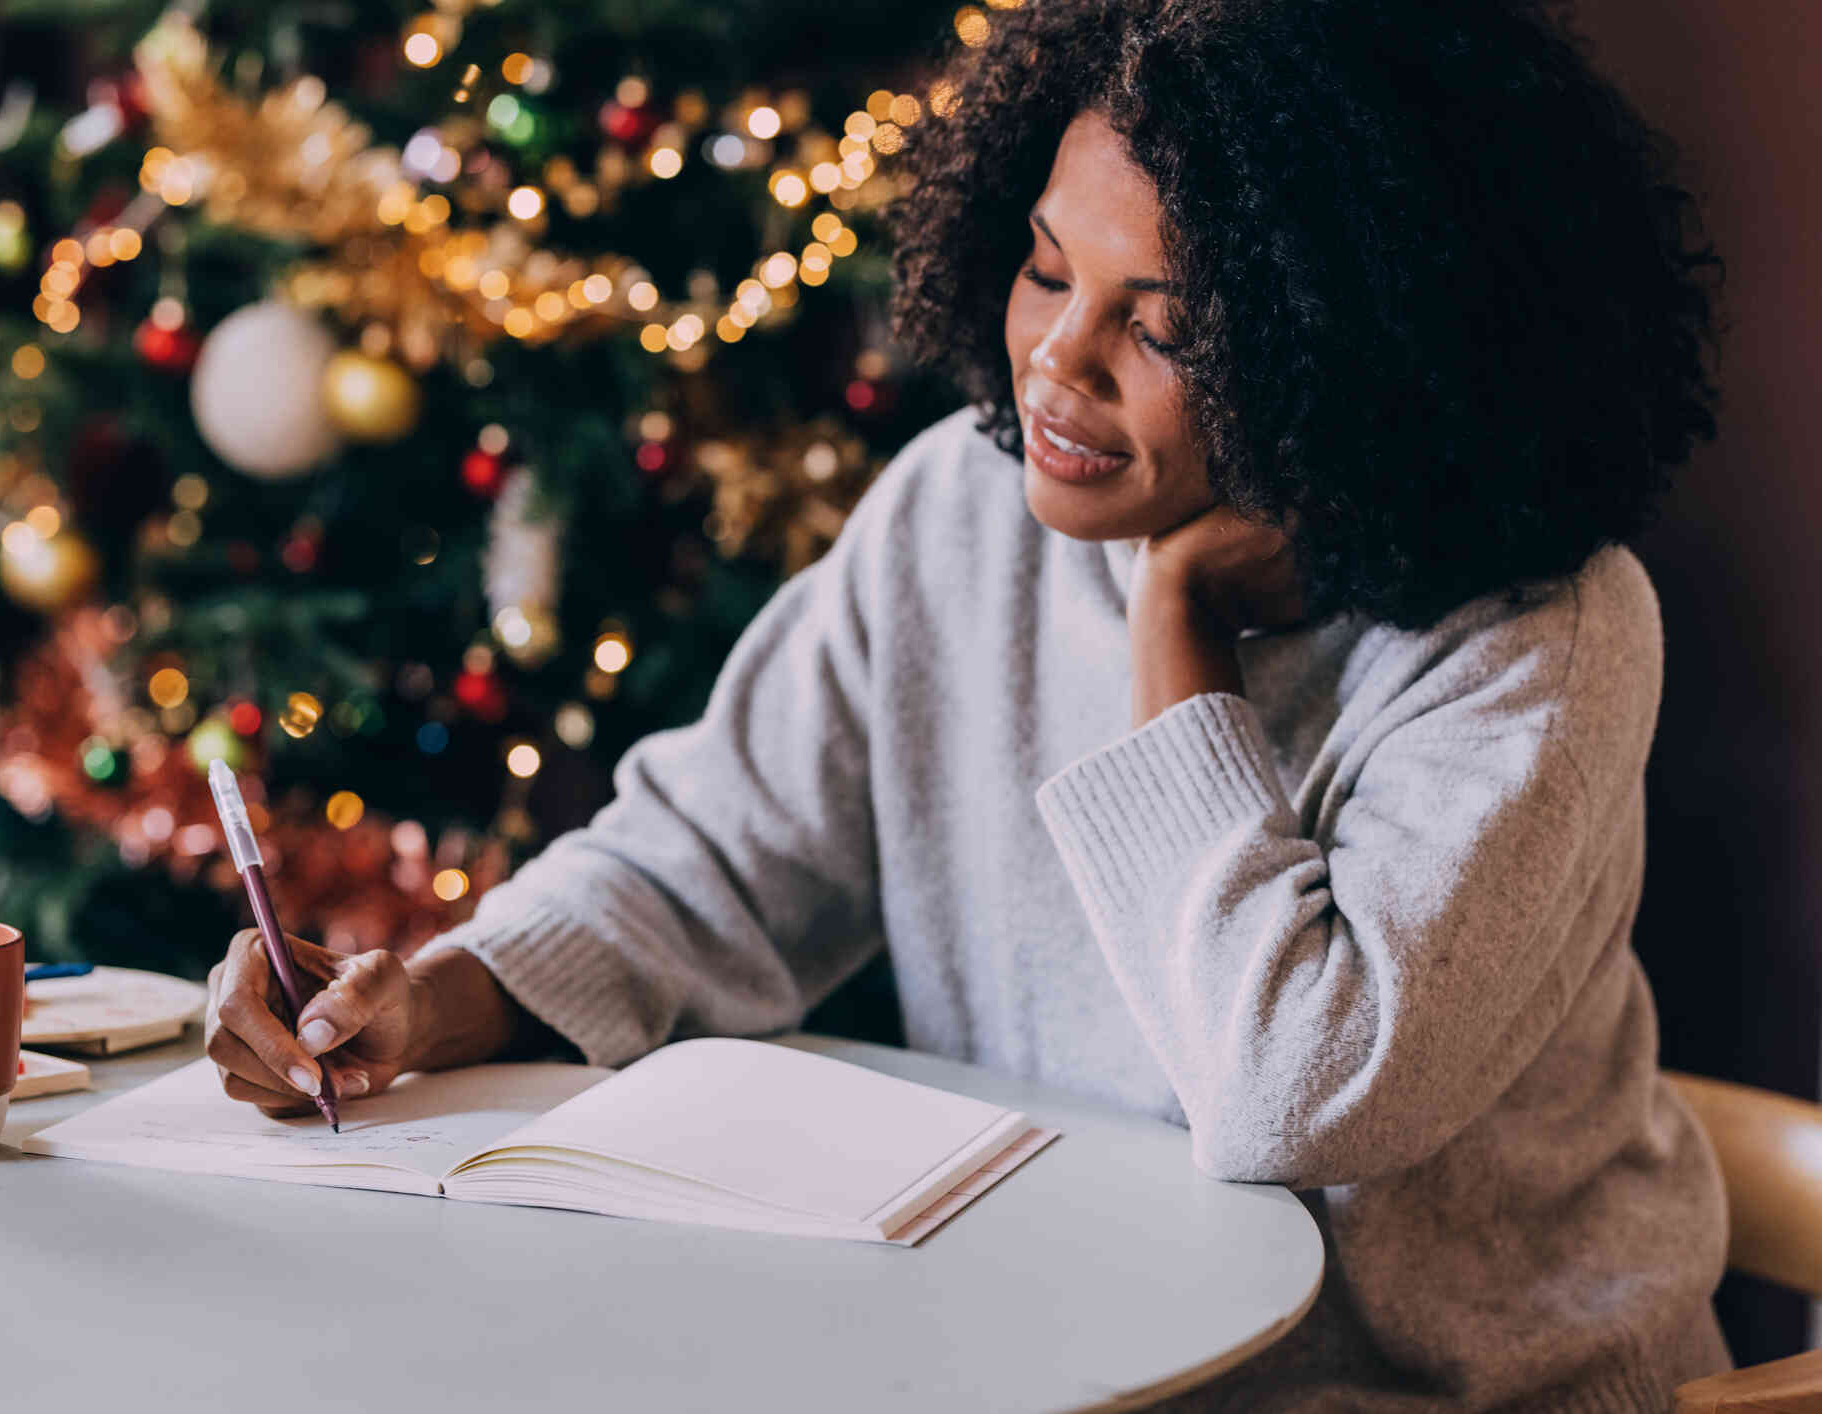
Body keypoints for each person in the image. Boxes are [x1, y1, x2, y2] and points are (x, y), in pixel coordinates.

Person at [204, 0, 1732, 1407]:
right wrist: (429, 997)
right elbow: (705, 864)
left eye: (1165, 326)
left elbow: (1297, 1091)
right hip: (1083, 1364)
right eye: (1050, 268)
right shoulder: (957, 510)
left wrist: (1173, 624)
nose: (1057, 360)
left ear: (1361, 353)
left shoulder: (1539, 636)